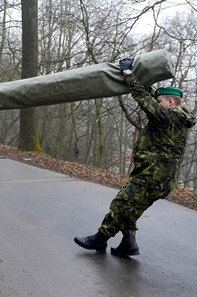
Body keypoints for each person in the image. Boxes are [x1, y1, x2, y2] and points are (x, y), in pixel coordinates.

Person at [74, 57, 195, 256]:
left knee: (121, 205)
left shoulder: (168, 117)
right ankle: (129, 243)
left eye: (160, 100)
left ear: (170, 101)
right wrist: (140, 77)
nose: (157, 103)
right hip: (157, 178)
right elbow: (148, 96)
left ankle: (100, 239)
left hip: (150, 178)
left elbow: (142, 98)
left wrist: (128, 74)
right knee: (132, 208)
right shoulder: (178, 118)